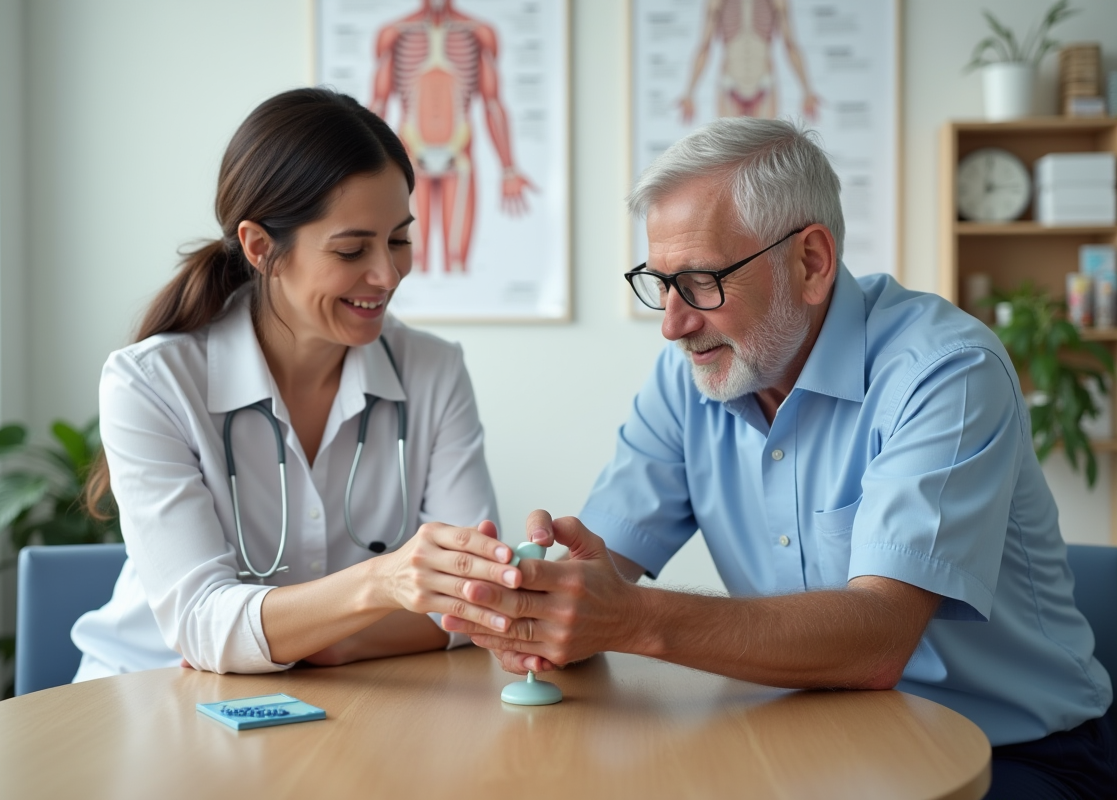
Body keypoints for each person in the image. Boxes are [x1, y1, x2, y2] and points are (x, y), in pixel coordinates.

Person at [442, 118, 1117, 797]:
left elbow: (878, 638)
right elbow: (601, 569)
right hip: (806, 738)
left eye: (702, 281)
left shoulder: (946, 372)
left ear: (811, 263)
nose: (672, 323)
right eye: (661, 282)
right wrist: (536, 604)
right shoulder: (691, 379)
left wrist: (627, 618)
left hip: (1014, 755)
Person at [72, 88, 524, 679]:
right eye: (351, 248)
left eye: (399, 239)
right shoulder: (151, 385)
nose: (387, 274)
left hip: (338, 699)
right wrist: (382, 586)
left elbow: (476, 603)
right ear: (261, 248)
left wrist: (325, 639)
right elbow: (202, 627)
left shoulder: (433, 371)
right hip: (149, 697)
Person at [369, 0, 535, 273]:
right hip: (411, 152)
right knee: (414, 261)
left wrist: (508, 169)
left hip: (459, 152)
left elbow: (493, 104)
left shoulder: (480, 32)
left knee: (457, 261)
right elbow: (377, 105)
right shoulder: (393, 33)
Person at [678, 0, 819, 123]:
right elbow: (704, 46)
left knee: (765, 148)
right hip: (730, 84)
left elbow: (790, 44)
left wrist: (807, 90)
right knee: (729, 149)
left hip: (764, 84)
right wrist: (689, 92)